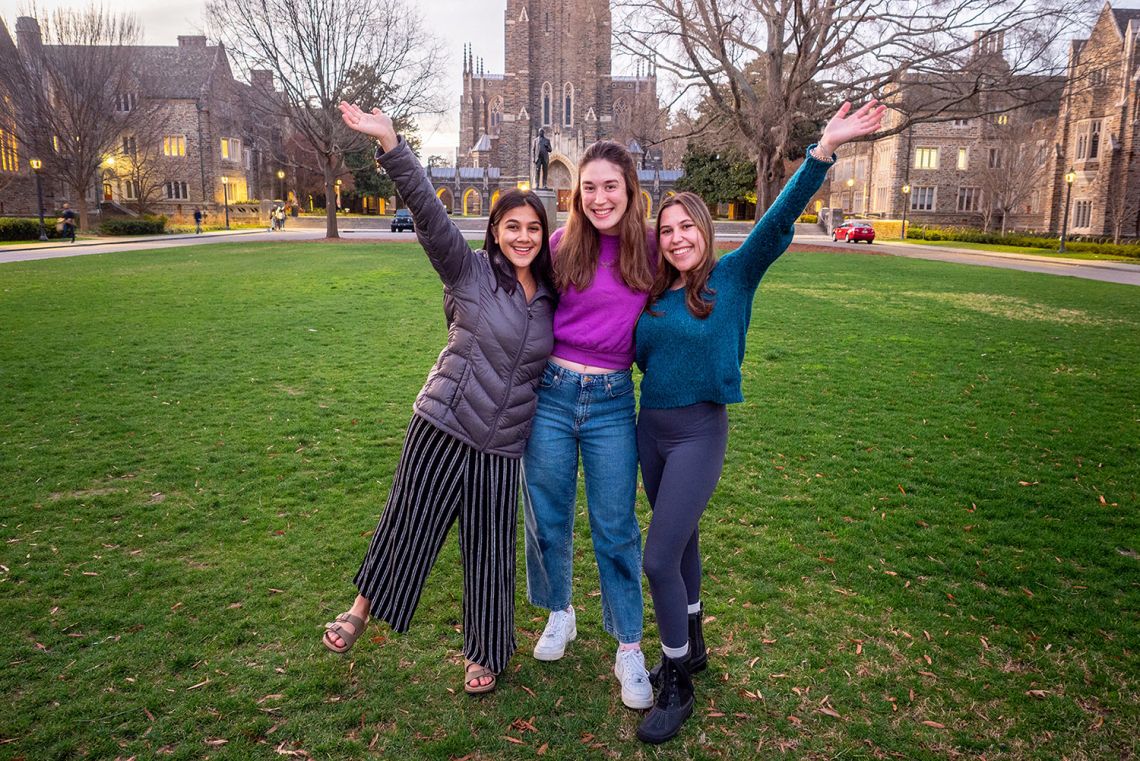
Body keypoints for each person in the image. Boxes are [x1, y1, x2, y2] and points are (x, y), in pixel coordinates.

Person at [632, 100, 886, 744]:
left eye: (686, 227)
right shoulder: (651, 298)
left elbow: (775, 224)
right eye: (667, 231)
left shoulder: (734, 277)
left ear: (704, 230)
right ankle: (694, 637)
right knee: (681, 543)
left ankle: (676, 675)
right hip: (650, 433)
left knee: (657, 557)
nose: (677, 238)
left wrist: (822, 150)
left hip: (698, 433)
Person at [324, 101, 558, 695]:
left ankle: (484, 652)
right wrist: (391, 145)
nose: (523, 237)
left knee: (489, 552)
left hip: (502, 446)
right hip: (443, 422)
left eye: (533, 228)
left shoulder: (556, 298)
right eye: (512, 226)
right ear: (496, 231)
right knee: (410, 521)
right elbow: (429, 215)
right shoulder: (469, 271)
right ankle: (358, 611)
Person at [522, 139, 657, 709]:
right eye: (589, 188)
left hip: (609, 402)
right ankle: (561, 612)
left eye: (610, 187)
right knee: (548, 515)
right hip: (551, 395)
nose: (599, 198)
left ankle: (629, 646)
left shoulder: (650, 249)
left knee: (615, 525)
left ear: (629, 191)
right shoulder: (559, 245)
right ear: (576, 194)